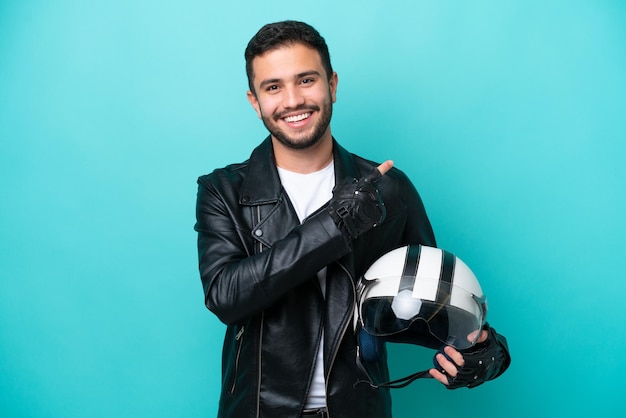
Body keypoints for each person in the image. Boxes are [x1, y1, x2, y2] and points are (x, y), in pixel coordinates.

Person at [195, 20, 510, 418]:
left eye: (306, 80)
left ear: (333, 85)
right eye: (273, 87)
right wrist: (334, 224)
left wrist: (486, 351)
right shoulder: (222, 190)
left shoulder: (390, 190)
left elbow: (429, 301)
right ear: (255, 101)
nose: (292, 100)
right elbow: (226, 296)